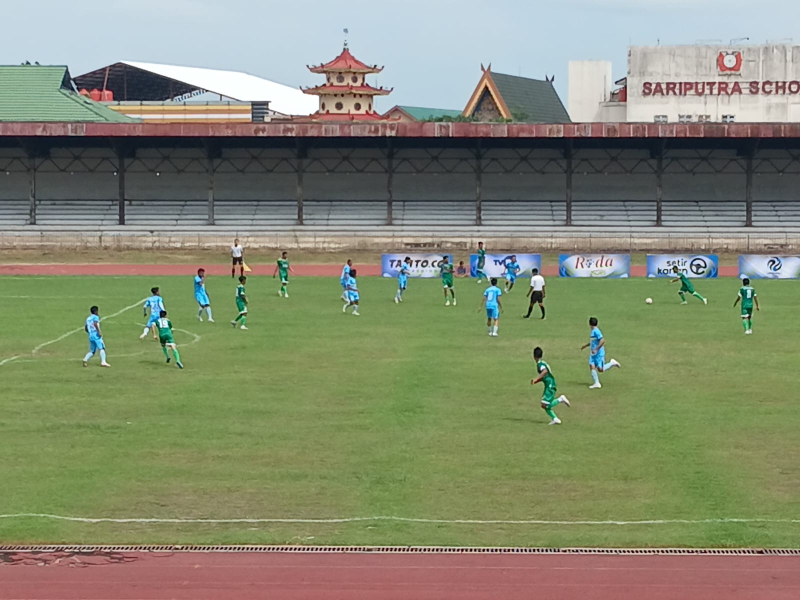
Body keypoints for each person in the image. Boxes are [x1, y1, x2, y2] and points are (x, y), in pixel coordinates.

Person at [531, 347, 570, 425]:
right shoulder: (543, 362)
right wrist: (537, 381)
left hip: (550, 385)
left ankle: (560, 399)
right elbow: (545, 375)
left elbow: (545, 372)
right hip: (549, 384)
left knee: (544, 404)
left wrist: (536, 379)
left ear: (534, 356)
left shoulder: (540, 365)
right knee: (544, 405)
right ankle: (555, 419)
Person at [581, 317, 621, 389]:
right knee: (591, 365)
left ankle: (612, 363)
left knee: (600, 369)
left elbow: (602, 340)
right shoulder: (593, 331)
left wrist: (596, 349)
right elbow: (593, 341)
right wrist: (585, 346)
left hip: (599, 353)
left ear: (590, 324)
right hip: (593, 354)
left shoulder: (596, 331)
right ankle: (597, 383)